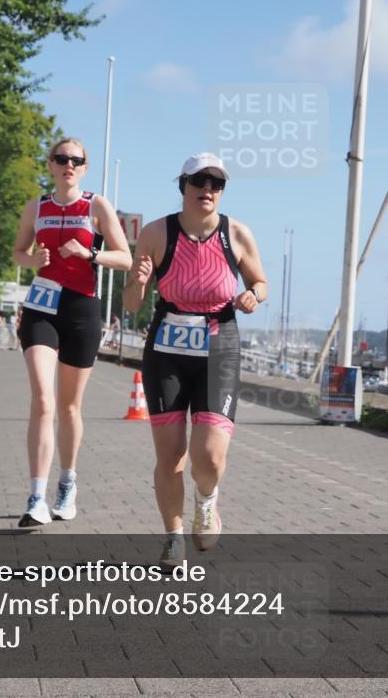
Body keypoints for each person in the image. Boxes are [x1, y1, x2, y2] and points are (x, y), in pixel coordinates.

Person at [124, 153, 266, 570]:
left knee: (211, 457)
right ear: (182, 185)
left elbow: (260, 281)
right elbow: (131, 305)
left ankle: (206, 503)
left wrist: (253, 296)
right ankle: (173, 537)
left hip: (219, 348)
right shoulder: (156, 233)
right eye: (199, 181)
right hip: (167, 349)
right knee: (171, 455)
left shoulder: (236, 234)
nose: (207, 189)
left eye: (216, 184)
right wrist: (138, 280)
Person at [12, 137, 132, 527]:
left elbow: (125, 258)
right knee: (43, 400)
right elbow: (18, 252)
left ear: (84, 168)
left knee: (68, 407)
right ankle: (35, 497)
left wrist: (90, 253)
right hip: (42, 307)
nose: (69, 165)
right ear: (50, 164)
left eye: (76, 160)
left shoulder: (97, 206)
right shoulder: (36, 207)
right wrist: (32, 259)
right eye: (61, 158)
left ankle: (67, 482)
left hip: (82, 309)